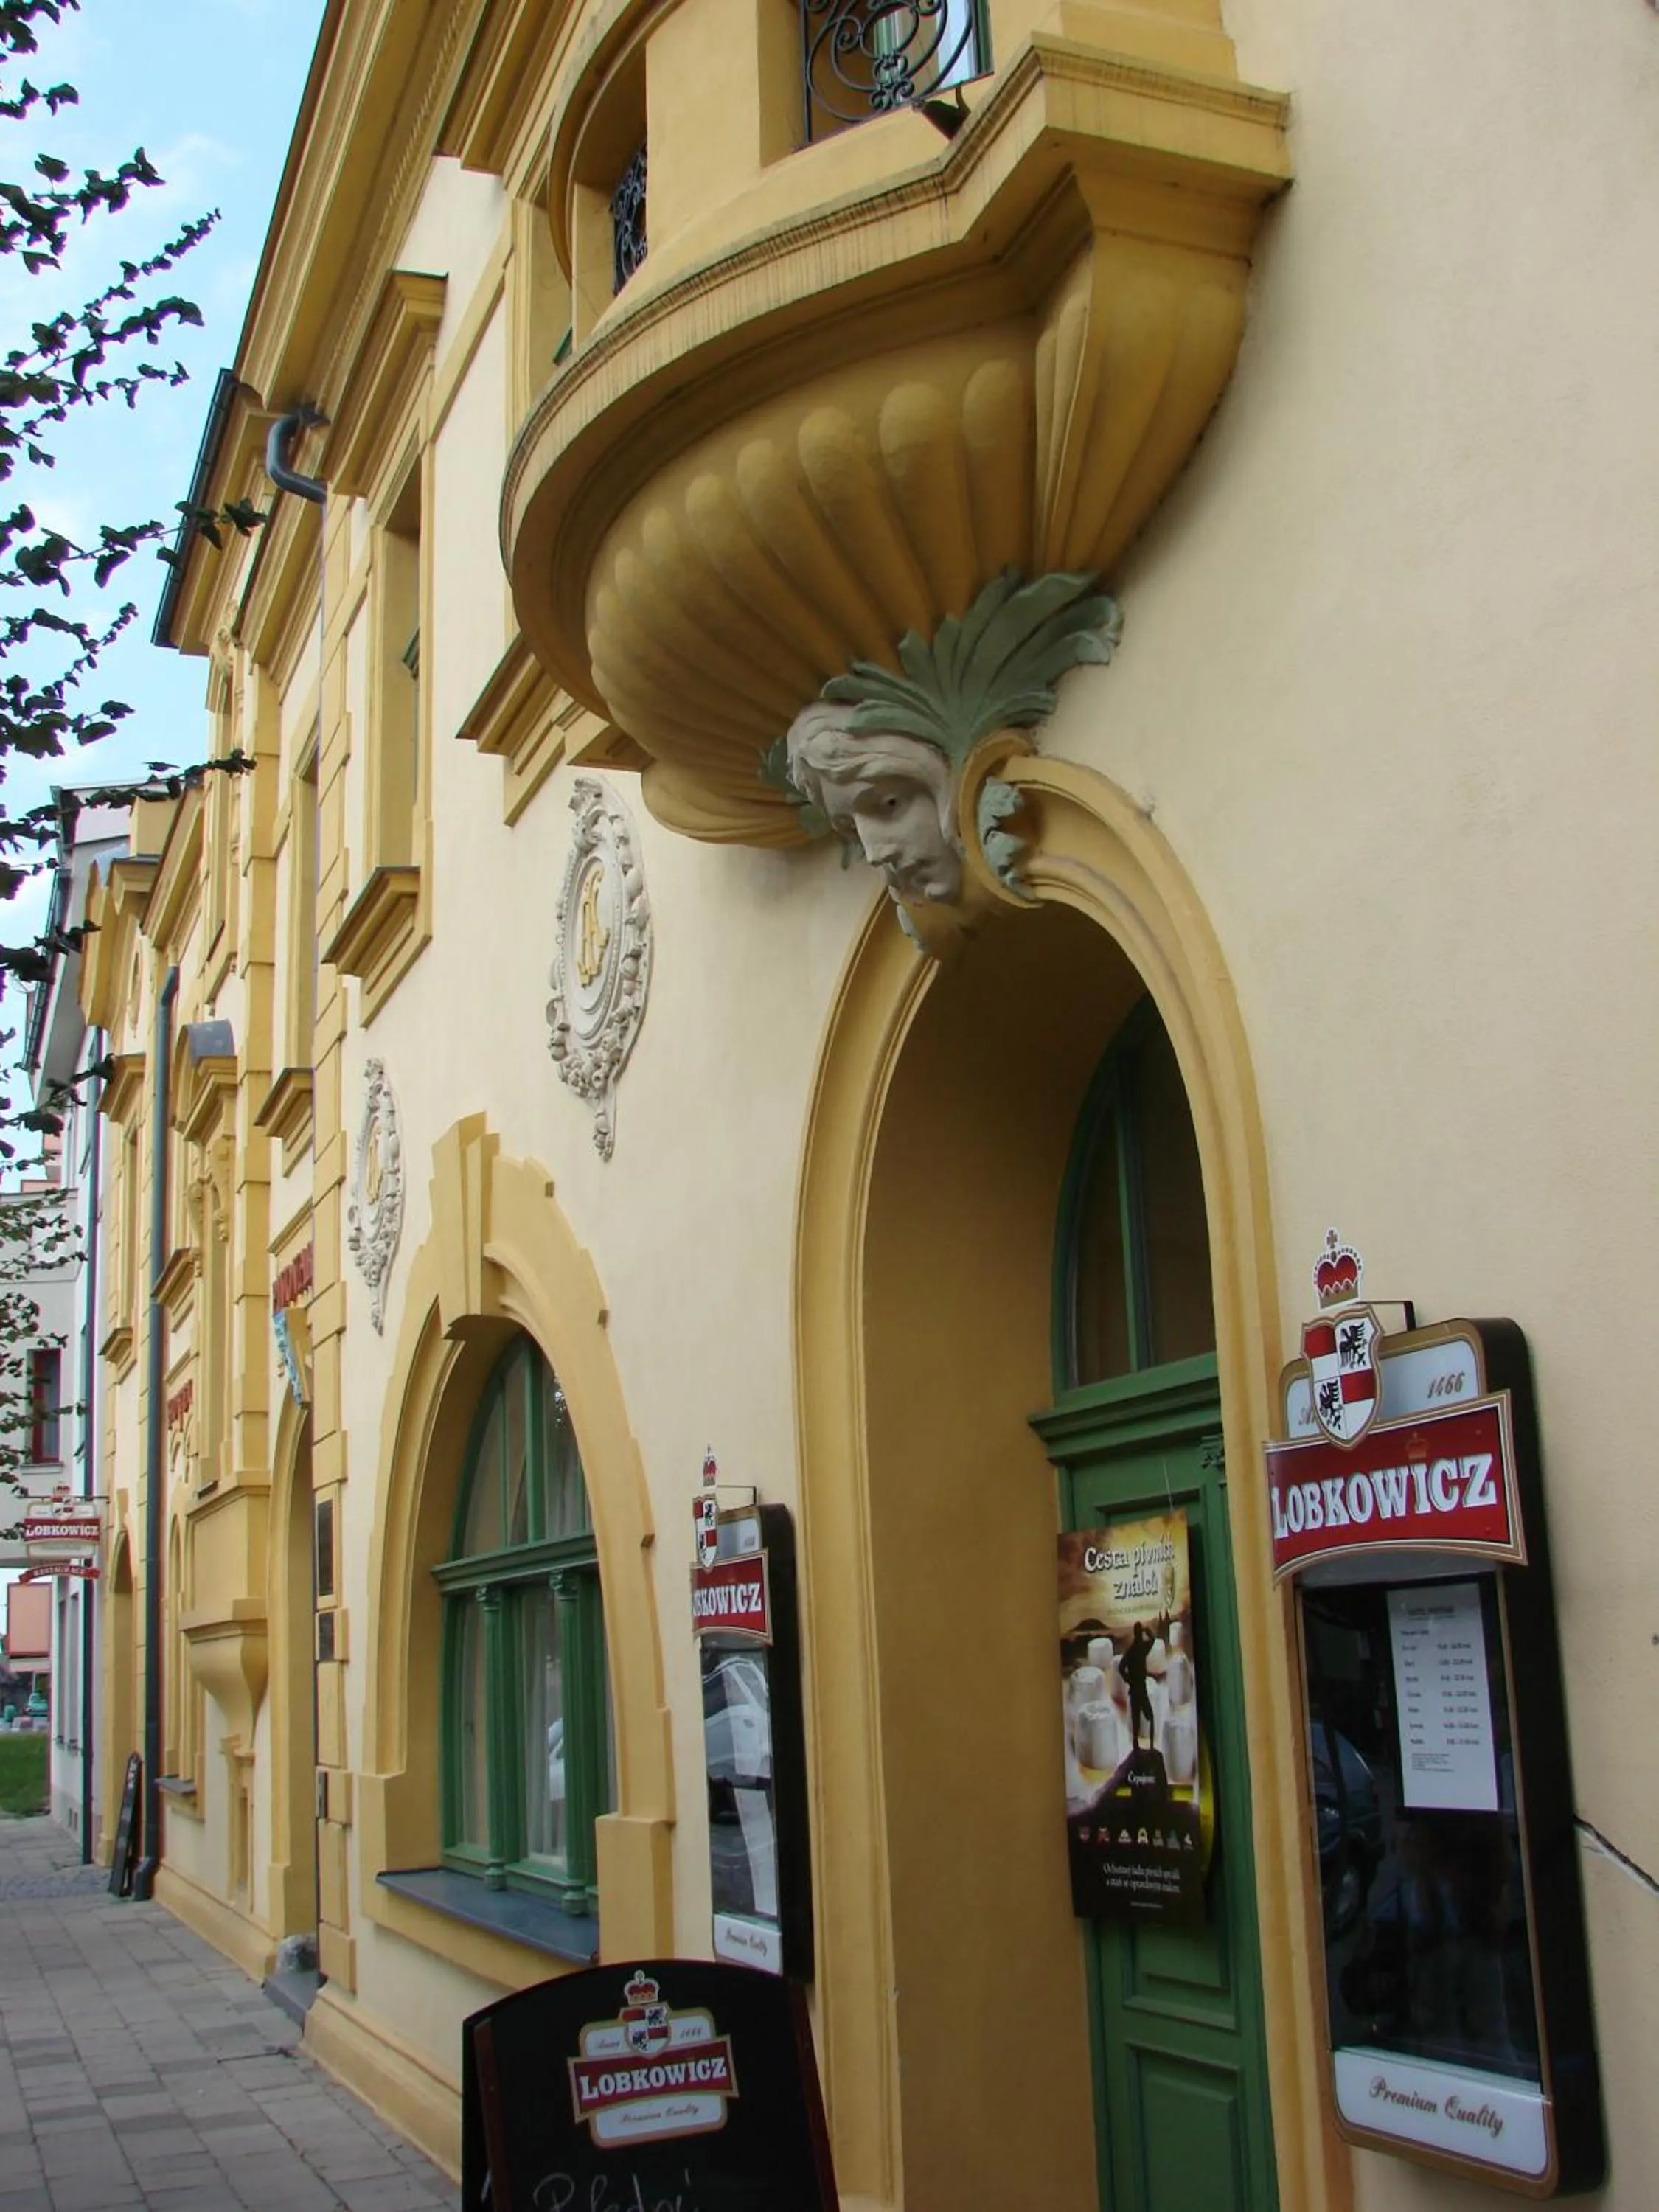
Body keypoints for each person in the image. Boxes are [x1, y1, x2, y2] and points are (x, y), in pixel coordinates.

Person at [1121, 1624, 1155, 1751]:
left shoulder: (1131, 1651)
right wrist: (1149, 1631)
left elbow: (1121, 1668)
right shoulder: (1141, 1649)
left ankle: (1137, 1748)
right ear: (1140, 1633)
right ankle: (1151, 1747)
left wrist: (1129, 1680)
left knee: (1136, 1723)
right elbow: (1152, 1640)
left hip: (1136, 1690)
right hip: (1140, 1689)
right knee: (1150, 1718)